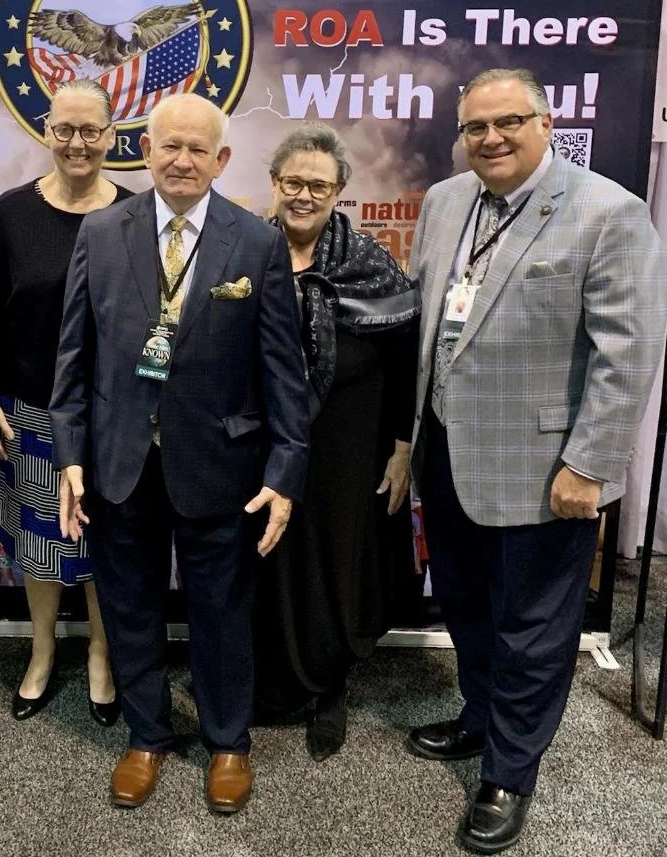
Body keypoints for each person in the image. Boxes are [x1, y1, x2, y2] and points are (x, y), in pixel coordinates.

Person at [406, 67, 667, 854]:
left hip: (546, 468)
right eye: (476, 127)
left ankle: (510, 772)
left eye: (508, 122)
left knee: (533, 628)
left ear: (546, 123)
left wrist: (589, 464)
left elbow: (629, 351)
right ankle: (481, 718)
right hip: (447, 450)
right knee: (469, 608)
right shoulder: (445, 201)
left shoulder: (608, 212)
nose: (490, 138)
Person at [49, 92, 310, 814]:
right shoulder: (102, 233)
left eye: (200, 149)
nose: (184, 159)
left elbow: (283, 369)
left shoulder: (254, 242)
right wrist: (69, 452)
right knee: (129, 606)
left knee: (221, 610)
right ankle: (147, 734)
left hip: (221, 465)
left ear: (221, 159)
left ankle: (229, 740)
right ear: (146, 149)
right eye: (171, 146)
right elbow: (74, 357)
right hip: (119, 461)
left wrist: (286, 468)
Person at [253, 124, 420, 761]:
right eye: (292, 182)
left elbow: (408, 356)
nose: (303, 195)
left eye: (317, 185)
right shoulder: (243, 250)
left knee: (333, 560)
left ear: (339, 191)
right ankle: (269, 680)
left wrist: (403, 446)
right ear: (274, 183)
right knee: (266, 559)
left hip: (350, 443)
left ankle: (327, 685)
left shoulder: (369, 263)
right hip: (260, 440)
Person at [0, 78, 132, 726]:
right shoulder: (12, 213)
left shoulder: (135, 215)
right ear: (47, 132)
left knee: (104, 545)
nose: (77, 142)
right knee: (40, 544)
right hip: (32, 410)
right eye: (64, 129)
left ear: (111, 136)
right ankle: (41, 652)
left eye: (90, 130)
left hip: (111, 416)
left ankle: (100, 652)